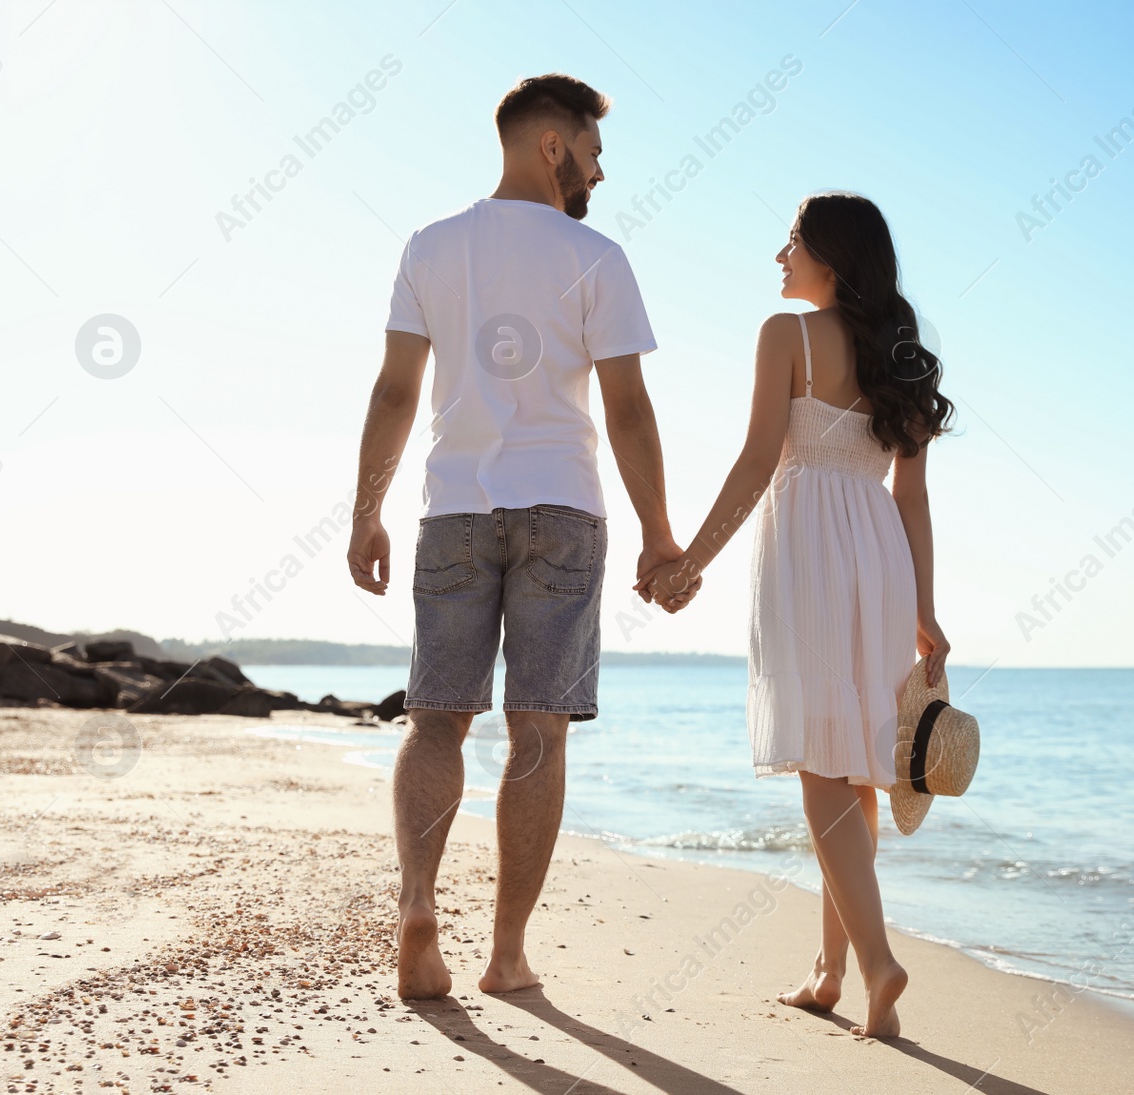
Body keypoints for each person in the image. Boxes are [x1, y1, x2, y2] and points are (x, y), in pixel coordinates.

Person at [347, 73, 696, 1000]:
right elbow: (627, 408)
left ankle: (419, 906)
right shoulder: (597, 256)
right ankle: (506, 956)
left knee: (436, 719)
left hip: (453, 506)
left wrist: (365, 511)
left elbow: (394, 392)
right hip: (562, 509)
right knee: (537, 732)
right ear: (554, 146)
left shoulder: (430, 245)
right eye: (593, 150)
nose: (599, 170)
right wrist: (662, 535)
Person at [637, 192, 953, 1037]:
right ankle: (830, 970)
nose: (779, 256)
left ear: (831, 257)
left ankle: (880, 963)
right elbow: (912, 499)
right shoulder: (903, 357)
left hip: (809, 546)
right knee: (857, 763)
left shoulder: (785, 338)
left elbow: (754, 461)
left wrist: (688, 563)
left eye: (791, 242)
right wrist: (924, 607)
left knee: (824, 764)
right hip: (880, 553)